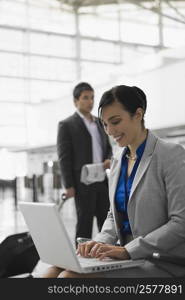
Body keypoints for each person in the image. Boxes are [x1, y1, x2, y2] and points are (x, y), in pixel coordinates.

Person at [43, 84, 185, 278]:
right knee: (52, 272)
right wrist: (100, 242)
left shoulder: (170, 155)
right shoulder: (118, 160)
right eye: (105, 124)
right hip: (125, 256)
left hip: (160, 261)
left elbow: (181, 222)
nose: (109, 131)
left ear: (138, 114)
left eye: (115, 121)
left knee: (68, 278)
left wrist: (128, 250)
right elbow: (113, 215)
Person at [57, 82, 112, 245]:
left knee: (106, 221)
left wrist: (108, 159)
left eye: (92, 97)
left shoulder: (99, 122)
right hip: (82, 182)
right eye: (85, 98)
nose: (90, 101)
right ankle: (80, 259)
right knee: (84, 223)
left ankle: (106, 254)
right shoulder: (67, 125)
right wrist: (69, 185)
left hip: (102, 180)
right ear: (76, 101)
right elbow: (64, 157)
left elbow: (107, 147)